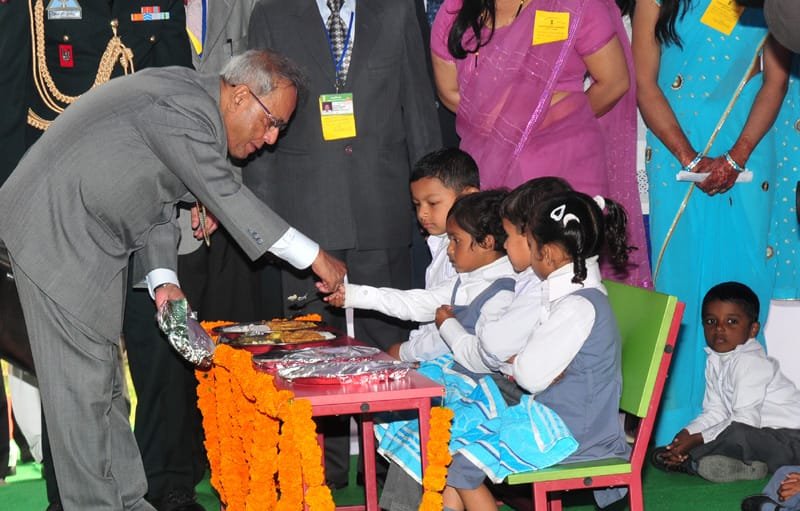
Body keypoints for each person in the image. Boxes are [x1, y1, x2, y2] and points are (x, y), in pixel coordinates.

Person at [0, 49, 346, 511]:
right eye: (271, 123)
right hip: (56, 237)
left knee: (104, 392)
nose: (269, 139)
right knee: (81, 401)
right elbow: (227, 196)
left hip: (85, 244)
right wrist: (317, 257)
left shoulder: (187, 100)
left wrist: (165, 285)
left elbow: (157, 210)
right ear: (241, 95)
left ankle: (126, 500)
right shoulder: (186, 109)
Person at [246, 0, 441, 488]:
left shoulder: (396, 10)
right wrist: (267, 222)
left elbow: (418, 107)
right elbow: (259, 115)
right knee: (309, 353)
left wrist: (437, 200)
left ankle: (396, 473)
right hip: (303, 214)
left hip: (384, 203)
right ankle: (319, 477)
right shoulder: (271, 13)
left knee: (392, 349)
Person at [631, 0, 793, 445]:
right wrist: (691, 158)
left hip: (748, 153)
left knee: (742, 278)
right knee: (680, 282)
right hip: (675, 156)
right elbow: (645, 85)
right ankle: (677, 424)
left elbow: (775, 78)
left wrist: (736, 155)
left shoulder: (765, 3)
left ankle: (742, 429)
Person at [430, 0, 650, 287]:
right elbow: (449, 92)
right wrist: (506, 132)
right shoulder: (455, 10)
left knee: (568, 277)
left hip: (566, 172)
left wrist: (554, 122)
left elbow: (614, 81)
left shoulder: (572, 5)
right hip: (491, 169)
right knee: (496, 285)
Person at [441, 191, 632, 510]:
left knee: (463, 467)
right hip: (556, 417)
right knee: (457, 447)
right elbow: (535, 369)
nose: (527, 255)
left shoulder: (576, 306)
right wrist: (525, 364)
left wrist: (522, 364)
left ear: (551, 253)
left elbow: (529, 375)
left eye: (530, 245)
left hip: (573, 433)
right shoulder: (575, 296)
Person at [325, 190, 516, 364]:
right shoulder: (468, 279)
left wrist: (407, 352)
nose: (449, 249)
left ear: (486, 242)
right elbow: (418, 303)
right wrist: (353, 295)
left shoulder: (502, 292)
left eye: (456, 241)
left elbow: (478, 355)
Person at [651, 282, 800, 483]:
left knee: (738, 433)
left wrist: (697, 440)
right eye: (711, 321)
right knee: (727, 435)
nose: (720, 329)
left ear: (753, 329)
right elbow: (715, 412)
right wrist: (687, 433)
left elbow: (745, 421)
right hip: (760, 436)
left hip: (791, 441)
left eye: (731, 321)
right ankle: (746, 467)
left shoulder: (750, 362)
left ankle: (690, 460)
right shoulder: (715, 359)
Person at [442, 176, 572, 373]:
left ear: (531, 236)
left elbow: (493, 347)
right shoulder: (530, 280)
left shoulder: (541, 289)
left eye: (508, 236)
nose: (504, 244)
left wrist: (449, 326)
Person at [381, 147, 480, 361]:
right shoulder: (438, 244)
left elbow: (452, 323)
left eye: (433, 203)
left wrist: (407, 353)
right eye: (417, 205)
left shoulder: (472, 256)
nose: (422, 213)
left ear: (469, 197)